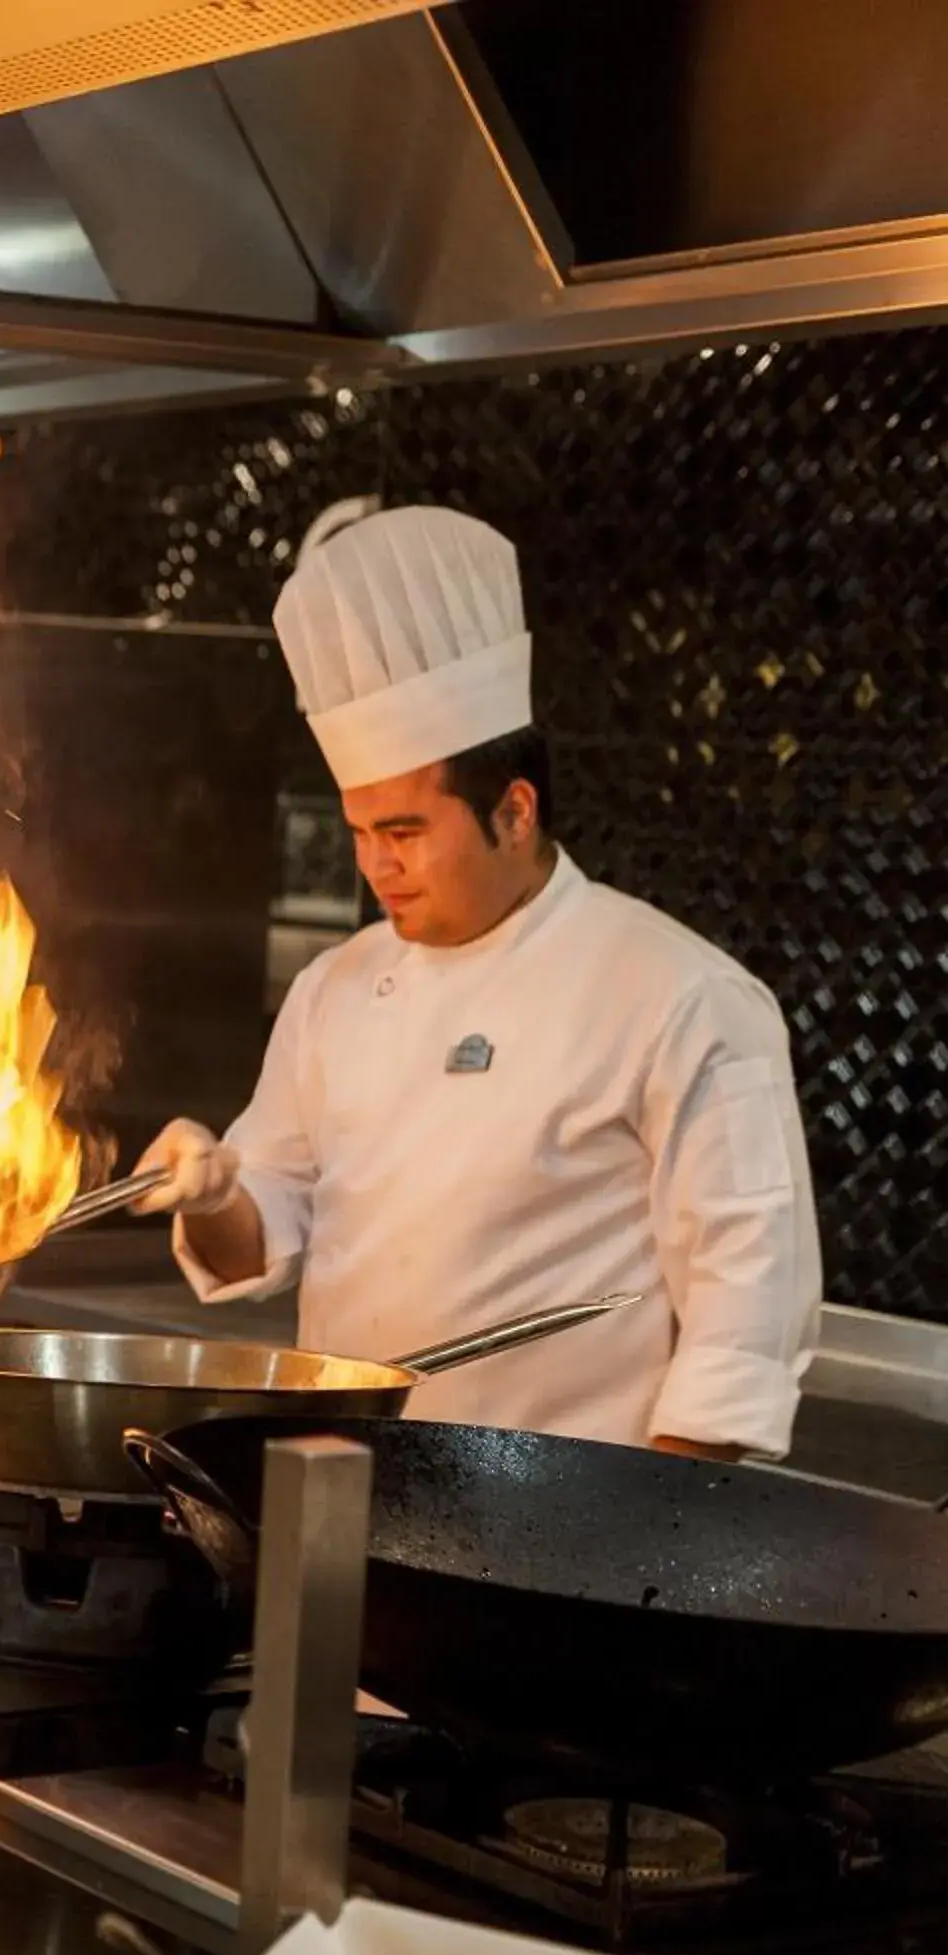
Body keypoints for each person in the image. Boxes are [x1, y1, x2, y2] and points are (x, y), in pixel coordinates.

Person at [131, 500, 821, 1460]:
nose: (376, 867)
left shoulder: (681, 994)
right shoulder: (336, 987)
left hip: (566, 1523)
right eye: (361, 833)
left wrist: (649, 1541)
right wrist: (206, 1196)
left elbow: (747, 1304)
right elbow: (260, 1242)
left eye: (406, 832)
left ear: (514, 810)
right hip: (343, 1498)